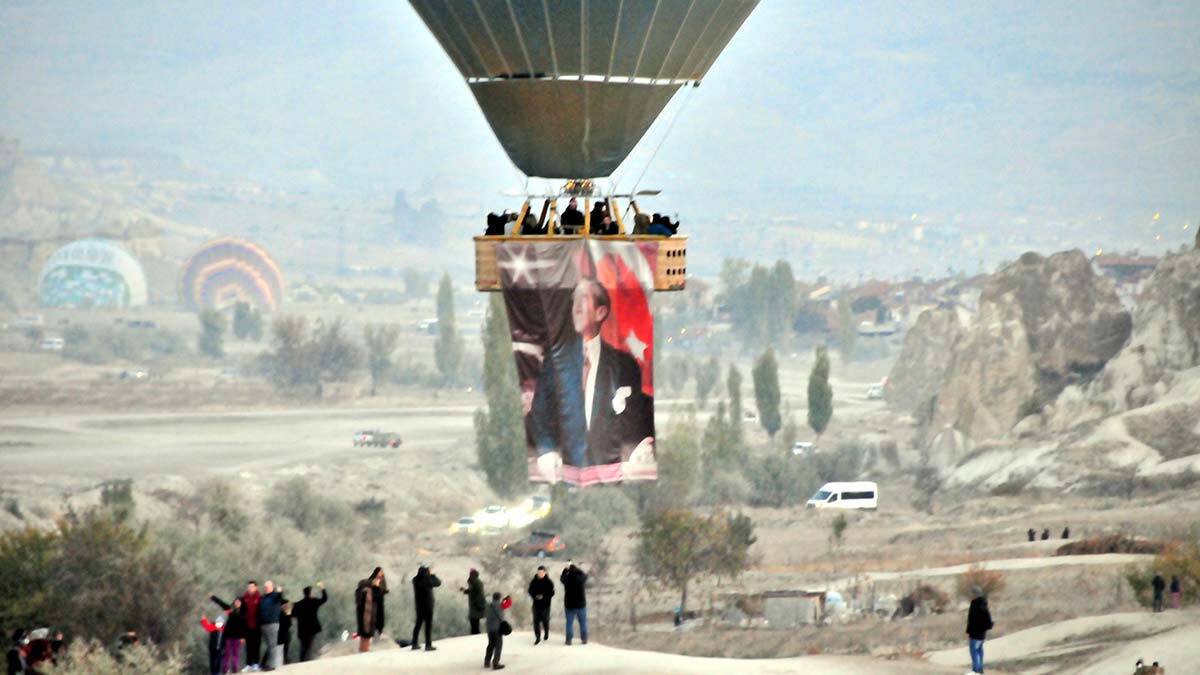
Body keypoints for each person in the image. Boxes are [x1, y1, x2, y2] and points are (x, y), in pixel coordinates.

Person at [531, 279, 654, 474]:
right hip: (563, 470)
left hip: (609, 473)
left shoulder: (623, 365)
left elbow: (633, 419)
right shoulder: (555, 362)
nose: (576, 306)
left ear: (601, 312)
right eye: (574, 300)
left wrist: (636, 449)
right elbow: (540, 413)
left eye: (584, 299)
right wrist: (547, 451)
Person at [210, 595, 247, 675]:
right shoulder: (230, 609)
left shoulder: (244, 612)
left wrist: (243, 637)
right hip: (228, 636)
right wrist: (213, 597)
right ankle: (225, 670)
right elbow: (221, 603)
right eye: (236, 601)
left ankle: (235, 670)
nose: (237, 603)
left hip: (238, 637)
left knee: (235, 654)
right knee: (226, 654)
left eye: (239, 601)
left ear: (241, 603)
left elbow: (244, 626)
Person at [292, 583, 327, 662]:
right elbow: (324, 599)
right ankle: (307, 661)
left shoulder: (298, 604)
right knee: (309, 646)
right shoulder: (314, 601)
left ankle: (302, 660)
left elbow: (292, 614)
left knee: (303, 646)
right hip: (312, 628)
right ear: (310, 593)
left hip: (301, 629)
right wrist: (323, 588)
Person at [411, 565, 441, 651]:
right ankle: (428, 645)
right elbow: (438, 583)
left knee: (418, 624)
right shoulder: (427, 579)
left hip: (419, 606)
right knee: (428, 625)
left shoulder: (416, 580)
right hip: (428, 606)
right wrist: (432, 575)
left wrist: (428, 574)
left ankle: (414, 643)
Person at [355, 568, 386, 653]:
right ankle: (364, 651)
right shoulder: (368, 590)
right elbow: (375, 598)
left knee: (365, 635)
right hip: (367, 616)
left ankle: (363, 650)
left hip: (367, 615)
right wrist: (376, 588)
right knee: (366, 634)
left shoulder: (363, 590)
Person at [965, 585, 993, 674]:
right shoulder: (983, 603)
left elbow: (972, 620)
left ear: (975, 594)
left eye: (971, 593)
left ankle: (976, 671)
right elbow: (988, 618)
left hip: (975, 633)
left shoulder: (975, 604)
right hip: (982, 633)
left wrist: (970, 632)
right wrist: (988, 626)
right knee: (979, 651)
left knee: (974, 652)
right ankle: (980, 670)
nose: (970, 595)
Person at [561, 562, 588, 645]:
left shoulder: (567, 578)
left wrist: (565, 570)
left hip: (569, 605)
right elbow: (585, 575)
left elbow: (561, 578)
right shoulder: (580, 578)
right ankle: (584, 639)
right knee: (583, 622)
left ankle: (569, 640)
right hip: (581, 604)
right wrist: (578, 570)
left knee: (569, 623)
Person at [258, 580, 284, 670]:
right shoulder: (263, 597)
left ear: (272, 587)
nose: (265, 588)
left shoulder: (275, 596)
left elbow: (280, 596)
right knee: (269, 645)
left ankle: (271, 665)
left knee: (272, 645)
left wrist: (280, 591)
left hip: (272, 623)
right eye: (265, 587)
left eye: (267, 587)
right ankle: (267, 664)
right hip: (263, 624)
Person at [528, 566, 555, 644]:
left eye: (541, 572)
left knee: (545, 620)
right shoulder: (534, 581)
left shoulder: (549, 582)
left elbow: (552, 593)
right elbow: (530, 590)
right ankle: (537, 637)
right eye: (538, 572)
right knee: (535, 621)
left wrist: (544, 596)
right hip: (536, 604)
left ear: (545, 572)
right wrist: (535, 596)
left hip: (546, 605)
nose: (540, 574)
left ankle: (546, 632)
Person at [239, 581, 262, 671]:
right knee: (248, 646)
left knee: (256, 645)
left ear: (256, 587)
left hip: (256, 626)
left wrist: (259, 621)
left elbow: (261, 611)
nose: (250, 588)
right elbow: (241, 612)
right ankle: (248, 664)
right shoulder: (244, 598)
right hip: (247, 626)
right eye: (249, 587)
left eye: (252, 587)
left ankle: (256, 663)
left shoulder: (259, 598)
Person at [484, 592, 507, 670]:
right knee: (498, 646)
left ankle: (487, 662)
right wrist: (507, 599)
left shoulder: (488, 605)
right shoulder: (501, 605)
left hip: (489, 628)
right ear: (499, 598)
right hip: (497, 629)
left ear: (493, 598)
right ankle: (495, 663)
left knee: (490, 645)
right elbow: (508, 604)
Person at [461, 569, 486, 635]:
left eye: (471, 574)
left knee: (474, 621)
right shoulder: (475, 581)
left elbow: (479, 593)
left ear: (474, 575)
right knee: (474, 621)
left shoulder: (475, 582)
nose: (470, 575)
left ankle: (475, 634)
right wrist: (465, 591)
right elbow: (472, 591)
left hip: (476, 605)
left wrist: (478, 604)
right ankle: (475, 634)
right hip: (475, 605)